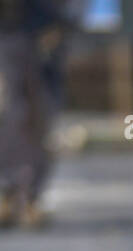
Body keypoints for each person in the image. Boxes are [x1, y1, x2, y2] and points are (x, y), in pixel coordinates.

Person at [0, 0, 78, 229]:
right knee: (11, 115)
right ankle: (9, 192)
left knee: (39, 117)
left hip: (43, 30)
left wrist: (60, 24)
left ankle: (30, 196)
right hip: (9, 32)